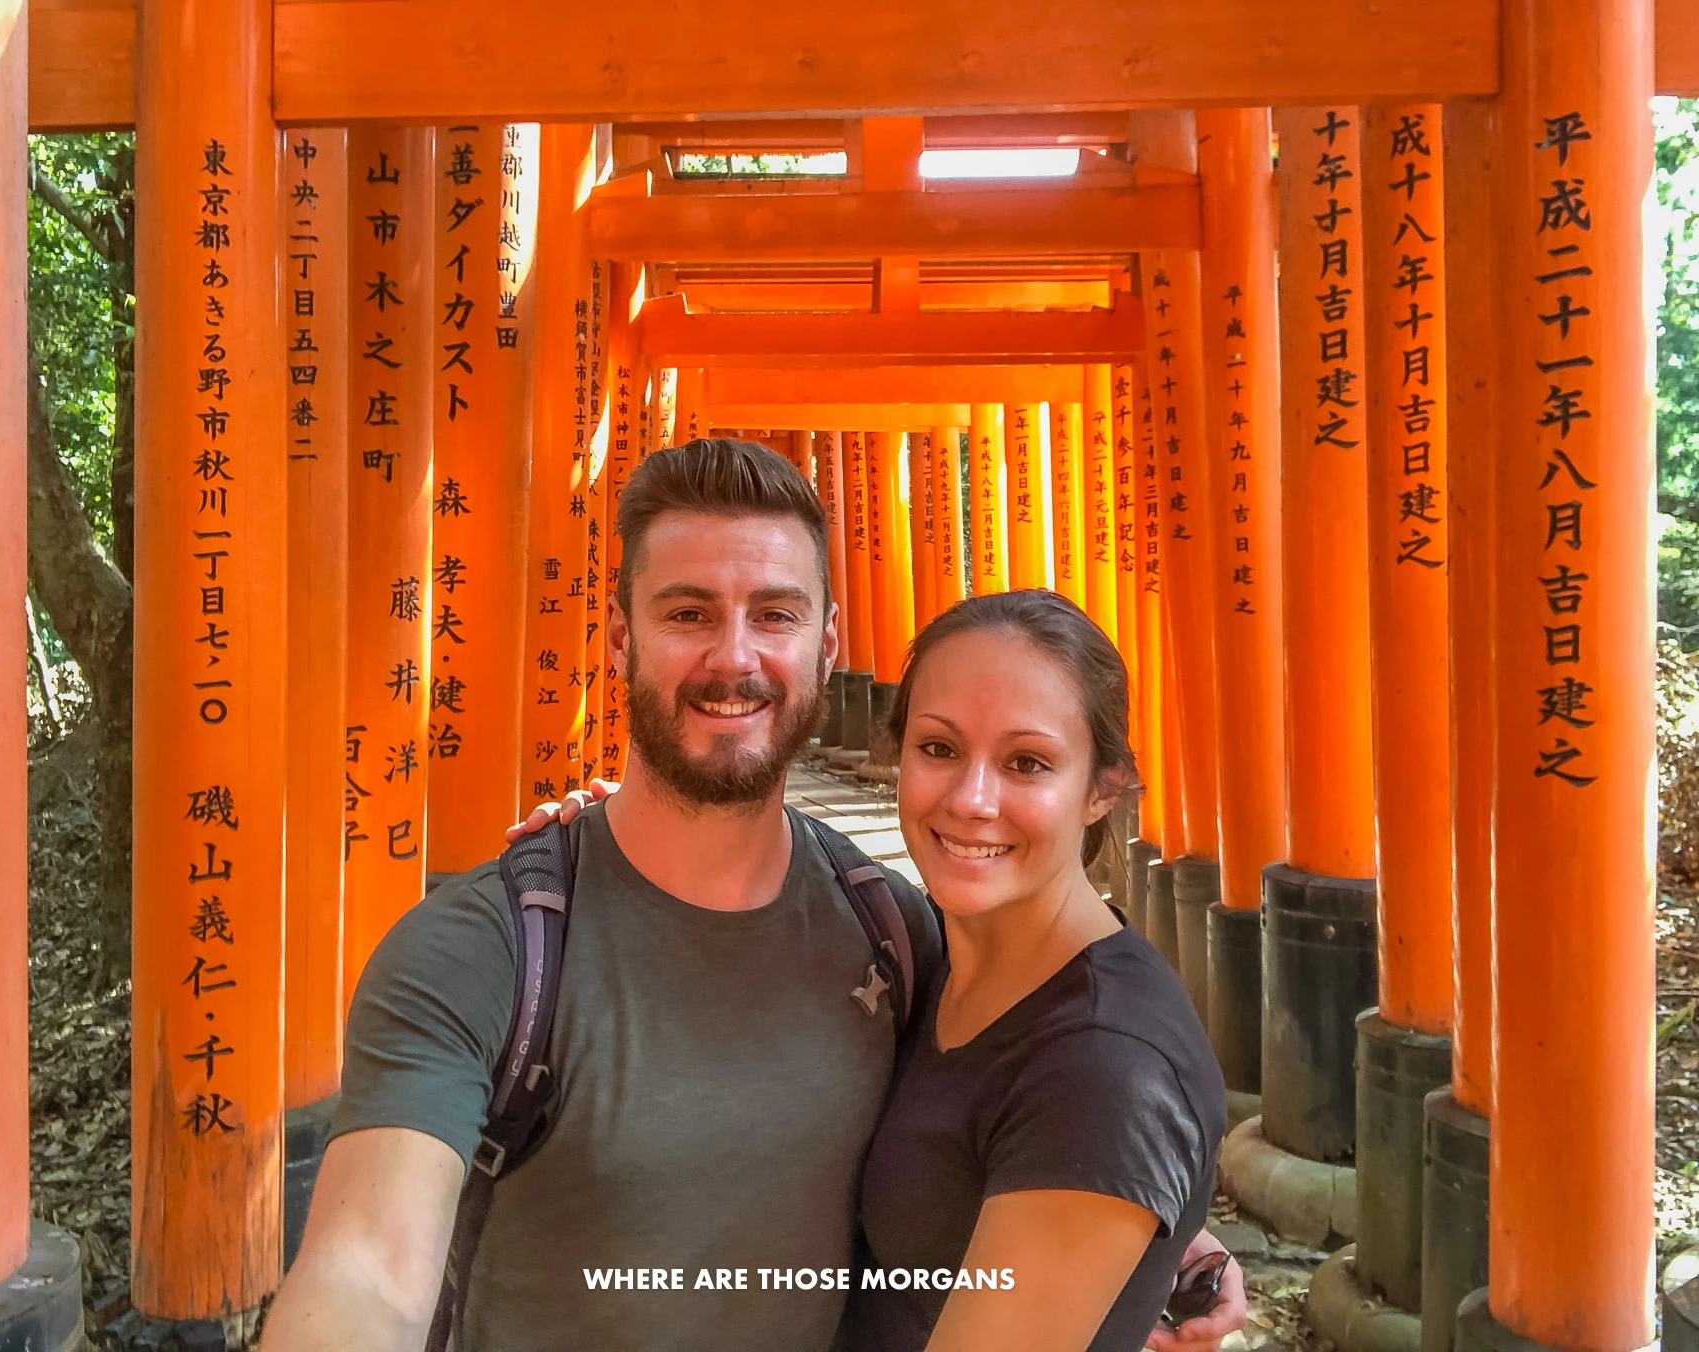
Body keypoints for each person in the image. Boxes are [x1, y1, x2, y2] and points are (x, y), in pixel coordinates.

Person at [261, 440, 1240, 1352]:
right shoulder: (487, 951)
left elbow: (1055, 1097)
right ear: (616, 636)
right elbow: (366, 1269)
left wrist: (1156, 1228)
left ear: (825, 643)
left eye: (774, 613)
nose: (734, 657)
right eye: (688, 612)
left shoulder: (889, 929)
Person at [837, 589, 1228, 1351]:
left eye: (1027, 762)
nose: (971, 799)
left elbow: (1105, 1125)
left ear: (1101, 790)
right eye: (939, 748)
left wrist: (1130, 1183)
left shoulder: (1106, 1070)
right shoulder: (934, 949)